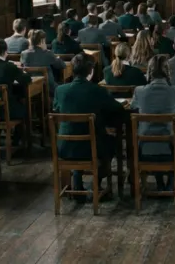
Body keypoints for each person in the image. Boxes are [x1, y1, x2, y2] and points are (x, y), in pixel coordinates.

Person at [53, 53, 126, 199]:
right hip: (91, 148)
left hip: (64, 147)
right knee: (110, 142)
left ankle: (77, 183)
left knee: (79, 133)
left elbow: (56, 109)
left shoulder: (60, 90)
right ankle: (97, 183)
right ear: (91, 71)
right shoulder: (98, 91)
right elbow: (117, 109)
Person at [130, 55, 175, 191]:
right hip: (172, 148)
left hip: (145, 147)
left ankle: (160, 182)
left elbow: (132, 106)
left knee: (152, 131)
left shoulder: (139, 91)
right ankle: (170, 183)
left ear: (149, 71)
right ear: (168, 71)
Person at [0, 38, 32, 121]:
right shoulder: (9, 66)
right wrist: (22, 70)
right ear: (6, 52)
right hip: (5, 110)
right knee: (25, 108)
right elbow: (27, 80)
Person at [21, 30, 66, 95]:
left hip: (31, 86)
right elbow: (62, 65)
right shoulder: (47, 53)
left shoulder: (24, 53)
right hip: (48, 86)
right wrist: (57, 58)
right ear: (42, 41)